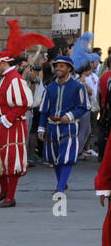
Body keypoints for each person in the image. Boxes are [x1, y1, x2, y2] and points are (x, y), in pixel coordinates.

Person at [0, 47, 32, 208]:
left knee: (11, 159)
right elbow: (0, 101)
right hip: (3, 122)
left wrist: (9, 118)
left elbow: (24, 103)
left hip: (14, 124)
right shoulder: (5, 78)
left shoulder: (15, 79)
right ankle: (4, 191)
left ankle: (11, 196)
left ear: (3, 63)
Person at [37, 55, 86, 195]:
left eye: (61, 66)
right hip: (52, 126)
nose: (58, 68)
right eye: (56, 66)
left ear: (69, 68)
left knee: (66, 158)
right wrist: (41, 127)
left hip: (69, 126)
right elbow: (44, 110)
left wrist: (69, 116)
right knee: (54, 158)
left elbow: (83, 107)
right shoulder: (50, 87)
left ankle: (60, 189)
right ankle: (62, 184)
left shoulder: (78, 87)